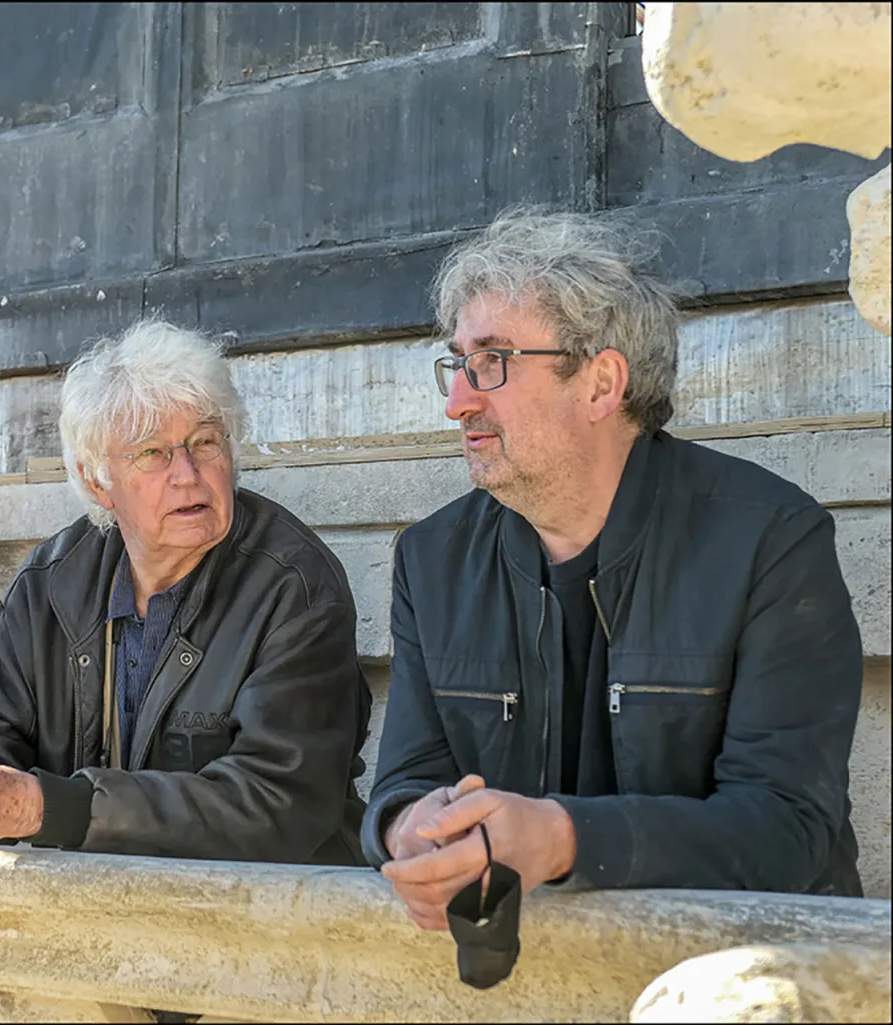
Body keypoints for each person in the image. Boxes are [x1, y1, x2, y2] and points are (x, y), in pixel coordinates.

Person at [363, 210, 864, 930]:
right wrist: (408, 827)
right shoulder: (432, 559)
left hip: (735, 971)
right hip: (515, 972)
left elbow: (787, 827)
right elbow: (403, 783)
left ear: (601, 383)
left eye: (494, 360)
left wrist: (561, 838)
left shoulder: (772, 538)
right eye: (459, 363)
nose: (457, 401)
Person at [0, 320, 372, 863]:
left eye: (204, 442)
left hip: (269, 917)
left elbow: (275, 802)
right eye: (152, 453)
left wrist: (46, 807)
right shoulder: (53, 582)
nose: (188, 474)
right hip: (94, 914)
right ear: (99, 480)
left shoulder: (293, 585)